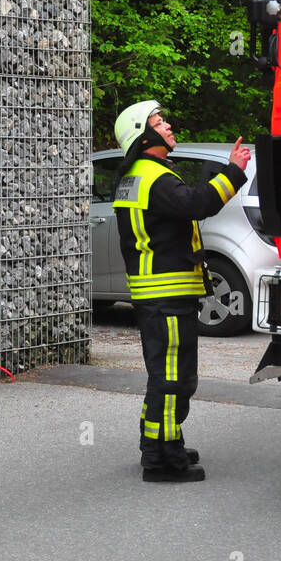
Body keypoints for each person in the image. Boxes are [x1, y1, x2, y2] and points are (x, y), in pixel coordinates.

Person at [112, 100, 250, 482]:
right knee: (174, 378)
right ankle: (162, 460)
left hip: (157, 295)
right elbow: (197, 203)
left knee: (166, 375)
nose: (168, 126)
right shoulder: (154, 177)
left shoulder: (142, 174)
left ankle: (160, 443)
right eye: (159, 122)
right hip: (167, 297)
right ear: (143, 135)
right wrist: (233, 173)